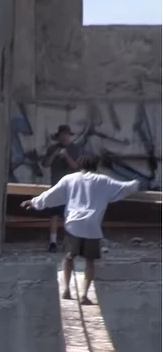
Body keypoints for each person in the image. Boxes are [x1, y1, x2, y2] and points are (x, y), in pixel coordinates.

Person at [21, 153, 142, 305]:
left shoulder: (69, 179)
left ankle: (66, 289)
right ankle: (84, 295)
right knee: (90, 261)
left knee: (68, 257)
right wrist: (138, 183)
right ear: (95, 166)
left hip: (73, 224)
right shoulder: (103, 181)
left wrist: (33, 202)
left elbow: (50, 195)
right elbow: (125, 188)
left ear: (80, 165)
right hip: (92, 226)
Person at [39, 124, 83, 252]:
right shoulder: (53, 148)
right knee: (54, 214)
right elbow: (45, 164)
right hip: (56, 186)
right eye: (63, 135)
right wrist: (55, 155)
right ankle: (53, 242)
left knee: (70, 214)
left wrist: (66, 156)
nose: (65, 138)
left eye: (67, 135)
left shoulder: (75, 149)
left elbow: (76, 166)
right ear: (59, 137)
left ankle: (68, 242)